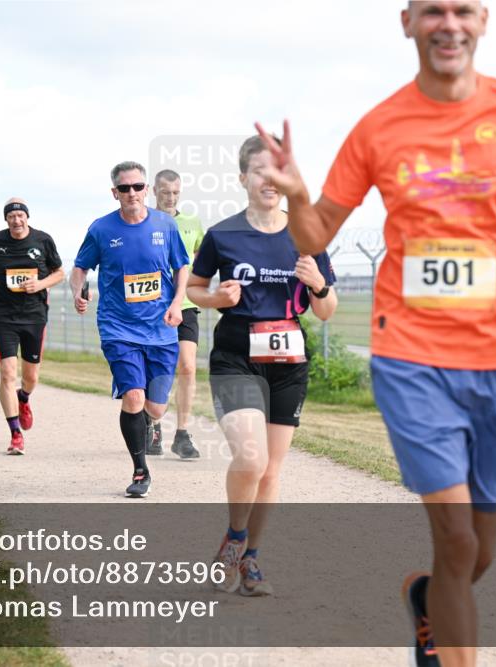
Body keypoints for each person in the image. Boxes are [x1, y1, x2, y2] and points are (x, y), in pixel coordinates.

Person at [254, 2, 496, 664]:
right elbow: (316, 234)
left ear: (484, 21)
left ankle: (427, 600)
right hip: (411, 357)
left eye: (462, 9)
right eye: (433, 9)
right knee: (460, 542)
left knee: (479, 551)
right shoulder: (380, 126)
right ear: (406, 22)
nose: (449, 23)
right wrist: (296, 193)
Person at [187, 135, 337, 598]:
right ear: (243, 179)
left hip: (289, 361)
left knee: (271, 470)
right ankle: (234, 539)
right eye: (259, 172)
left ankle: (250, 558)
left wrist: (317, 286)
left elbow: (327, 310)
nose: (269, 181)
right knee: (250, 458)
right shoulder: (223, 234)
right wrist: (215, 298)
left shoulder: (308, 233)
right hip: (236, 355)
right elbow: (194, 288)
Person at [70, 161, 189, 496]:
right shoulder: (101, 229)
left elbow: (181, 267)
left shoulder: (165, 225)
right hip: (118, 327)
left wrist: (177, 302)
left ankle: (150, 423)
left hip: (161, 329)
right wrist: (78, 291)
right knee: (134, 397)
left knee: (155, 407)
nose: (132, 193)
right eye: (125, 188)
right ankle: (140, 472)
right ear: (115, 193)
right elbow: (80, 268)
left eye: (138, 186)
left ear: (146, 189)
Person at [0, 198, 65, 455]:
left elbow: (60, 272)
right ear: (6, 219)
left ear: (27, 217)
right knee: (7, 372)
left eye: (20, 216)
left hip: (35, 315)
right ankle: (15, 434)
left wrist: (39, 284)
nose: (16, 221)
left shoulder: (43, 240)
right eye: (11, 217)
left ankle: (24, 398)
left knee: (31, 377)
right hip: (4, 315)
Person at [153, 169, 205, 459]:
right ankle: (154, 424)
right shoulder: (145, 221)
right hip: (152, 308)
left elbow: (202, 255)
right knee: (159, 367)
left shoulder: (192, 222)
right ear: (154, 192)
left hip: (184, 305)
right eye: (165, 193)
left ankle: (182, 433)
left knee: (187, 366)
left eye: (175, 193)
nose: (170, 198)